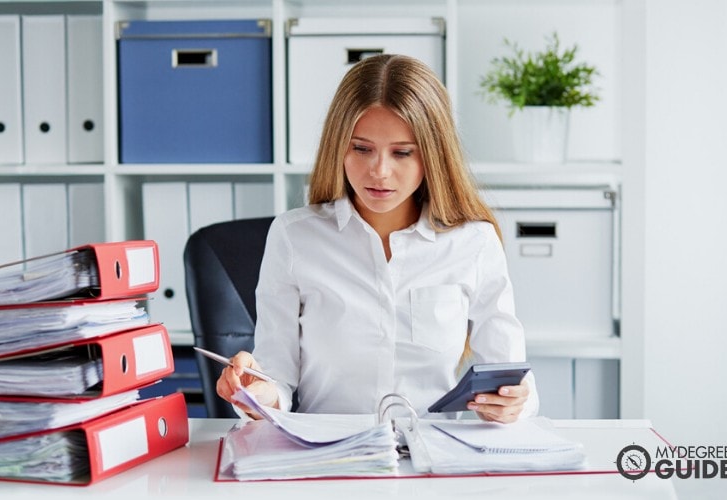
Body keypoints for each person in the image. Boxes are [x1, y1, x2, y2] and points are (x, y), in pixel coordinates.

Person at [216, 54, 539, 423]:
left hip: (431, 458)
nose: (380, 172)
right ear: (339, 146)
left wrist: (514, 403)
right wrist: (256, 394)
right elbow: (277, 380)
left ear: (434, 155)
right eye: (361, 148)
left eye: (402, 152)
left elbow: (511, 376)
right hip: (328, 457)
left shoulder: (473, 243)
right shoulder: (294, 237)